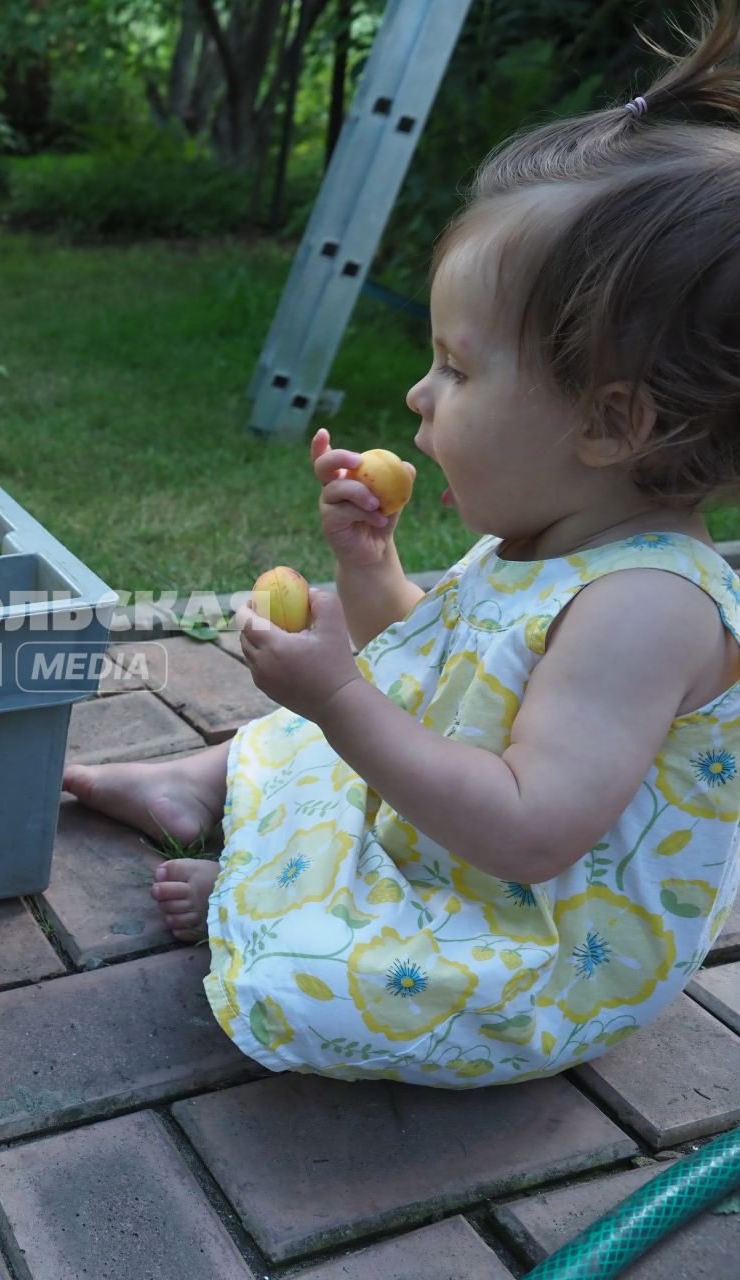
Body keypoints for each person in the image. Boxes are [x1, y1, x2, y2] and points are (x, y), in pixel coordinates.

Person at [64, 5, 740, 1086]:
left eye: (459, 370)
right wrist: (371, 569)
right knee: (317, 749)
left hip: (535, 939)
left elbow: (526, 829)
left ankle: (253, 886)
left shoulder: (649, 606)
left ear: (611, 425)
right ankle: (207, 785)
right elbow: (446, 664)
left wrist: (337, 697)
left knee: (306, 974)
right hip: (468, 848)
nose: (421, 394)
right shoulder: (551, 539)